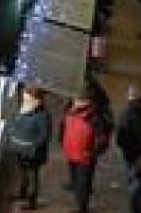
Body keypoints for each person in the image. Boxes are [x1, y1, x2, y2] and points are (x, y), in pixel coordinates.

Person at [60, 84, 111, 213]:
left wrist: (92, 153)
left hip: (85, 157)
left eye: (79, 99)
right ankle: (76, 192)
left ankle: (82, 207)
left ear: (88, 101)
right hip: (71, 151)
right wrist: (62, 141)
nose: (76, 101)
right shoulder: (70, 108)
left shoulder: (95, 117)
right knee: (76, 177)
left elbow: (102, 140)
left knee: (84, 183)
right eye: (76, 99)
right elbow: (63, 126)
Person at [6, 85, 51, 210]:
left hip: (33, 154)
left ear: (35, 99)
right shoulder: (24, 109)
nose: (24, 99)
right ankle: (22, 194)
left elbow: (44, 136)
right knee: (22, 173)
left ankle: (32, 202)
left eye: (27, 97)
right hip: (20, 150)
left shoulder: (43, 115)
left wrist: (31, 145)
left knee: (32, 177)